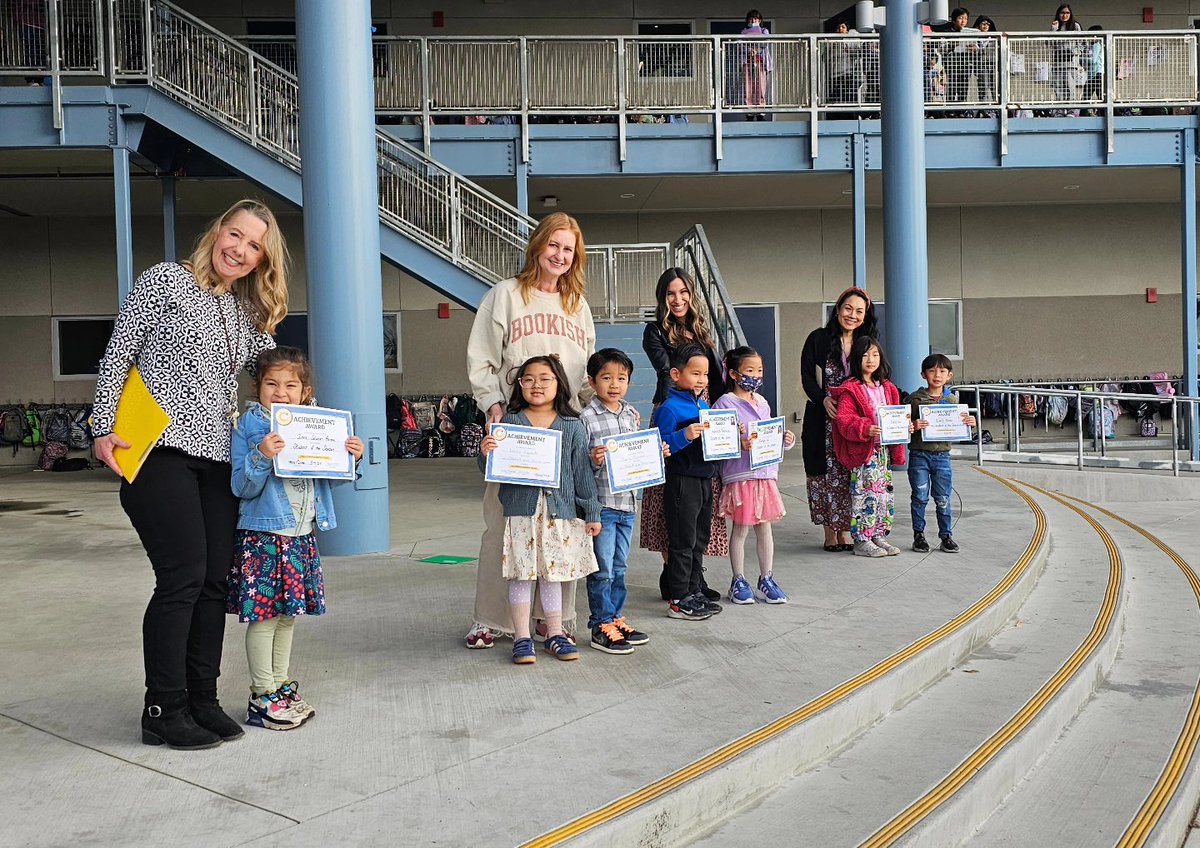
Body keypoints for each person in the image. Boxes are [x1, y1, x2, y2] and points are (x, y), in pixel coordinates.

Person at [91, 199, 289, 749]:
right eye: (236, 235)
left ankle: (202, 698)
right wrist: (102, 425)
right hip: (157, 448)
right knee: (181, 577)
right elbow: (119, 354)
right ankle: (163, 705)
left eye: (255, 247)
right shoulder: (164, 280)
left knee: (214, 583)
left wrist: (326, 435)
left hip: (216, 457)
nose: (241, 251)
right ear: (217, 230)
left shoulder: (242, 315)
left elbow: (279, 378)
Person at [465, 212, 596, 649]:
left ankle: (552, 620)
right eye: (554, 245)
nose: (560, 255)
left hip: (562, 427)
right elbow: (481, 358)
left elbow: (586, 371)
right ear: (538, 245)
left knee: (564, 524)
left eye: (568, 249)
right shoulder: (505, 295)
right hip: (517, 428)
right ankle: (491, 618)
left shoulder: (578, 306)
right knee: (503, 523)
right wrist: (494, 406)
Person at [227, 347, 363, 730]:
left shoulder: (317, 423)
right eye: (272, 383)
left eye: (291, 384)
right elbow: (241, 486)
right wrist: (261, 454)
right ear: (257, 387)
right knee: (265, 618)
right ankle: (262, 694)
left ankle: (280, 685)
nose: (281, 391)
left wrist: (349, 456)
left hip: (301, 535)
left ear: (305, 391)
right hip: (265, 537)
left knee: (287, 617)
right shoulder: (250, 427)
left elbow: (330, 480)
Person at [478, 355, 602, 665]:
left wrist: (591, 512)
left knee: (553, 575)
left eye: (545, 378)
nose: (537, 385)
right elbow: (492, 469)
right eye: (528, 379)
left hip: (559, 515)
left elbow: (582, 473)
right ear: (519, 385)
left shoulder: (572, 426)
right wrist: (485, 453)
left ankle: (555, 634)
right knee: (521, 574)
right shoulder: (511, 423)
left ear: (558, 383)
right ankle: (522, 638)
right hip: (521, 514)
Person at [641, 267, 727, 606]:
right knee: (671, 501)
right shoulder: (654, 331)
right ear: (663, 298)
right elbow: (667, 371)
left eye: (683, 293)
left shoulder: (702, 330)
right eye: (671, 294)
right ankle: (674, 579)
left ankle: (693, 576)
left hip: (702, 408)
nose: (678, 299)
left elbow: (716, 376)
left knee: (699, 507)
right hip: (673, 406)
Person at [580, 349, 657, 655]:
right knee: (602, 570)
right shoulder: (586, 418)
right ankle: (600, 624)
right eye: (607, 377)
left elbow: (634, 456)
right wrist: (593, 459)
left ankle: (615, 617)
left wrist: (654, 456)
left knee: (620, 567)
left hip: (627, 504)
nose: (614, 384)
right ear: (592, 381)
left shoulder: (630, 414)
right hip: (603, 506)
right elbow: (579, 466)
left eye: (621, 378)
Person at [711, 346, 795, 605]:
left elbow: (768, 435)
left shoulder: (763, 403)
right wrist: (739, 444)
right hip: (741, 474)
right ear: (734, 374)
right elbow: (718, 440)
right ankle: (738, 579)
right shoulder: (724, 403)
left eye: (759, 370)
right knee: (741, 528)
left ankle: (766, 578)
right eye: (749, 370)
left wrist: (785, 440)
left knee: (764, 528)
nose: (756, 375)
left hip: (765, 474)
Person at [800, 286, 878, 553]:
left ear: (865, 315)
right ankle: (829, 533)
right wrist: (823, 400)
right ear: (837, 309)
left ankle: (845, 530)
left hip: (854, 417)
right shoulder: (818, 338)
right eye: (848, 308)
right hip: (824, 415)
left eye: (859, 311)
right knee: (823, 473)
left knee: (848, 472)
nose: (852, 315)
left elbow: (876, 375)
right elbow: (807, 376)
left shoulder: (866, 343)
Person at [656, 343, 722, 621]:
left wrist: (731, 434)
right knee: (682, 541)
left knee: (699, 539)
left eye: (705, 375)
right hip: (682, 480)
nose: (701, 380)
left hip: (705, 479)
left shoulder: (704, 404)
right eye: (695, 374)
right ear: (675, 374)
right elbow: (658, 446)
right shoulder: (669, 408)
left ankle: (695, 591)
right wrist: (684, 435)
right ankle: (679, 597)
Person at [831, 336, 908, 558]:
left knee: (883, 494)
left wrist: (905, 427)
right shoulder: (851, 389)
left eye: (875, 354)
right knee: (866, 495)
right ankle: (862, 539)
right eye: (865, 355)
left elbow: (896, 416)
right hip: (864, 454)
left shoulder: (888, 388)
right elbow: (844, 421)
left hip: (882, 452)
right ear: (856, 358)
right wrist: (865, 428)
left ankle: (877, 534)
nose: (871, 359)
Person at [908, 353, 976, 555]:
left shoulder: (952, 399)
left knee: (943, 497)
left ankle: (946, 536)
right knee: (919, 496)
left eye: (942, 371)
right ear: (923, 374)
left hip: (943, 456)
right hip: (919, 455)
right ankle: (918, 535)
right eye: (931, 370)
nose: (937, 375)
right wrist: (912, 425)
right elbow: (901, 428)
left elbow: (958, 427)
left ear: (949, 375)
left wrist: (969, 424)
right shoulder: (914, 399)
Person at [1050, 4, 1084, 114]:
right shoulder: (1056, 25)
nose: (1065, 15)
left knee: (1071, 87)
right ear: (1058, 14)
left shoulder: (1075, 26)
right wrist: (1053, 30)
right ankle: (1060, 111)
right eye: (1062, 13)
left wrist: (1075, 52)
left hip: (1071, 62)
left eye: (1067, 13)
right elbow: (1049, 43)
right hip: (1057, 62)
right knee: (1058, 87)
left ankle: (1072, 110)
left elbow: (1082, 43)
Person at [740, 10, 772, 120]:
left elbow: (765, 43)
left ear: (760, 20)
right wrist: (749, 50)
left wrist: (756, 50)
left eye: (756, 19)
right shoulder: (744, 32)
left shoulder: (764, 31)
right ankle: (749, 112)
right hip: (747, 63)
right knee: (748, 88)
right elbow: (741, 46)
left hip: (761, 63)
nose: (754, 20)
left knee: (761, 88)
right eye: (751, 18)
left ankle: (760, 113)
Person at [973, 16, 999, 106]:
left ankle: (997, 107)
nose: (986, 26)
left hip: (993, 65)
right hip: (981, 65)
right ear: (978, 25)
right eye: (983, 23)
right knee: (983, 86)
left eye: (988, 24)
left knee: (995, 87)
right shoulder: (974, 39)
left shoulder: (994, 38)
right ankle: (984, 108)